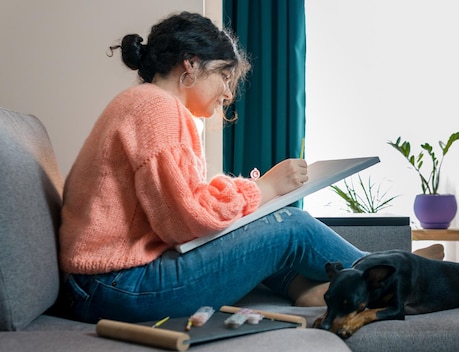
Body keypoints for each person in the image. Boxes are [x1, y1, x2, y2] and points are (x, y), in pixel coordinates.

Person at [58, 11, 367, 324]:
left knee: (264, 225)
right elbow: (188, 220)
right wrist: (265, 188)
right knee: (293, 226)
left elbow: (179, 211)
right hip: (112, 285)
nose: (229, 93)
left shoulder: (144, 103)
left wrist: (254, 199)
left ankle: (305, 289)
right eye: (224, 75)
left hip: (99, 284)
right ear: (190, 64)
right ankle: (394, 273)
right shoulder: (157, 107)